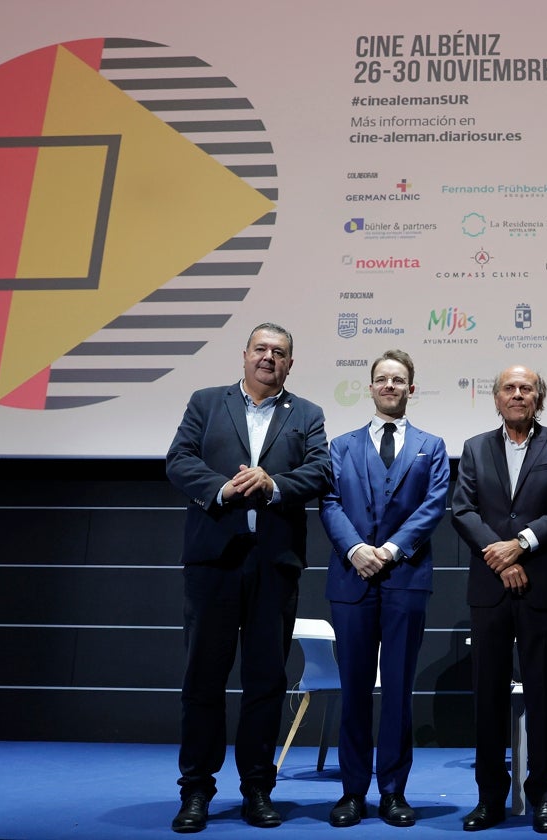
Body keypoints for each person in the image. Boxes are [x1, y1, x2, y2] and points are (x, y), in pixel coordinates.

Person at [165, 322, 332, 833]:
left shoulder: (307, 414)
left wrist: (274, 483)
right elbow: (179, 460)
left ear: (289, 363)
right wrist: (224, 490)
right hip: (214, 563)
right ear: (243, 356)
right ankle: (196, 791)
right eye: (261, 349)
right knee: (203, 682)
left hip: (273, 567)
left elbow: (323, 471)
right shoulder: (206, 402)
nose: (268, 358)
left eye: (279, 352)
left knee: (266, 682)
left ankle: (258, 788)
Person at [320, 350, 450, 828]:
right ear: (370, 387)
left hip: (406, 579)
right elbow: (329, 502)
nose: (390, 386)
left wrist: (390, 550)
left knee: (398, 689)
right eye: (382, 379)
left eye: (399, 380)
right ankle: (352, 792)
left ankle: (393, 791)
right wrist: (357, 550)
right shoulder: (340, 446)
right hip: (351, 578)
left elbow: (434, 505)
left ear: (410, 389)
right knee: (353, 688)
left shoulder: (431, 445)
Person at [451, 365, 547, 834]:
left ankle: (544, 797)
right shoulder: (473, 448)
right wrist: (502, 558)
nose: (518, 394)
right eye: (509, 388)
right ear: (496, 397)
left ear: (539, 397)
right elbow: (462, 509)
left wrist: (523, 543)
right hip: (491, 586)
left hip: (542, 587)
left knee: (543, 694)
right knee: (487, 696)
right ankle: (490, 798)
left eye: (527, 388)